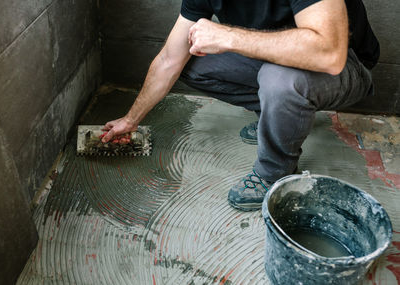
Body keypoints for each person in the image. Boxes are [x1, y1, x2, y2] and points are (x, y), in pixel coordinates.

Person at [101, 0, 379, 211]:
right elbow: (169, 60)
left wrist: (227, 37)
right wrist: (131, 119)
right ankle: (277, 115)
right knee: (193, 60)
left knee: (279, 78)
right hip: (276, 60)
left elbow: (330, 53)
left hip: (345, 65)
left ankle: (275, 173)